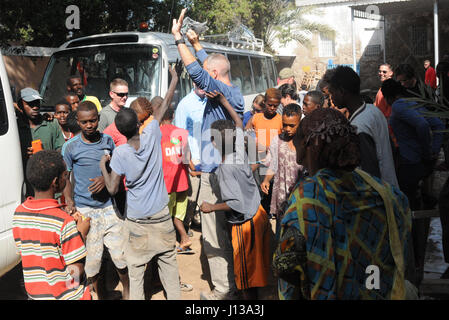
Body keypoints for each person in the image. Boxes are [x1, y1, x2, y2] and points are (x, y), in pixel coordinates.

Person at [273, 108, 413, 300]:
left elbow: (286, 265)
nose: (299, 158)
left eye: (302, 149)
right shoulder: (387, 193)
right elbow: (405, 261)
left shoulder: (308, 197)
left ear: (310, 148)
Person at [172, 8, 244, 300]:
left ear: (214, 75)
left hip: (218, 176)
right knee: (227, 233)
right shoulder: (232, 90)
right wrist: (197, 43)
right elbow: (208, 67)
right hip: (228, 173)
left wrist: (178, 39)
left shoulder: (217, 89)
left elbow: (198, 73)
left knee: (215, 237)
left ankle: (224, 292)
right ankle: (235, 284)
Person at [99, 63, 181, 300]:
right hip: (161, 217)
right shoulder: (152, 133)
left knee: (135, 275)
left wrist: (103, 166)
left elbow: (113, 188)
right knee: (170, 271)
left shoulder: (121, 153)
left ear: (119, 131)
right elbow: (164, 103)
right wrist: (173, 76)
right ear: (137, 123)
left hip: (136, 222)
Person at [200, 91, 270, 300]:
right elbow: (239, 122)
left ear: (214, 142)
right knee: (254, 270)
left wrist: (210, 207)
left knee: (246, 276)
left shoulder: (225, 169)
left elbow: (235, 203)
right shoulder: (237, 146)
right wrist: (223, 100)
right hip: (258, 213)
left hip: (245, 222)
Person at [62, 101, 129, 300]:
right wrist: (68, 200)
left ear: (99, 119)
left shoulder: (108, 141)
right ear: (78, 122)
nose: (89, 125)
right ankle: (101, 295)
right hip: (85, 210)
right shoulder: (71, 147)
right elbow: (66, 177)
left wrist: (105, 177)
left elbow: (117, 169)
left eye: (93, 121)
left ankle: (127, 292)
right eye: (85, 122)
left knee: (120, 256)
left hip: (109, 208)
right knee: (93, 260)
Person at [381, 78, 444, 285]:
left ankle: (412, 257)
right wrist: (433, 151)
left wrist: (427, 153)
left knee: (404, 209)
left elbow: (423, 125)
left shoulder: (398, 106)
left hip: (411, 164)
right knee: (416, 208)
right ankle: (417, 254)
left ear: (388, 97)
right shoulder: (411, 102)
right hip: (418, 163)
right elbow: (438, 123)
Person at [12, 150, 92, 300]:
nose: (66, 178)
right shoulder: (64, 222)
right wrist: (81, 234)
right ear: (55, 182)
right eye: (65, 176)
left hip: (36, 295)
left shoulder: (19, 213)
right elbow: (75, 274)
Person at [325, 66, 398, 188]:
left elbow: (369, 176)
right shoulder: (373, 110)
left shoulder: (358, 127)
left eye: (332, 93)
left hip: (378, 197)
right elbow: (392, 151)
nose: (330, 98)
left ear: (342, 92)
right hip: (390, 189)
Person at [260, 103, 304, 238]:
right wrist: (266, 180)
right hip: (282, 197)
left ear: (299, 122)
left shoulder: (305, 141)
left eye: (292, 125)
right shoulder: (277, 140)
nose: (287, 129)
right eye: (284, 125)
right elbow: (273, 163)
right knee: (282, 232)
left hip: (301, 196)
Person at [16, 88, 66, 196]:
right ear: (20, 106)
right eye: (30, 104)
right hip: (26, 189)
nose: (35, 107)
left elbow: (61, 151)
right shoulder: (15, 129)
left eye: (37, 103)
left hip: (50, 188)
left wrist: (45, 156)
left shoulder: (51, 124)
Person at [160, 107, 197, 252]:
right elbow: (187, 158)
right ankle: (184, 238)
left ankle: (168, 246)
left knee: (166, 217)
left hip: (167, 183)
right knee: (178, 216)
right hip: (182, 181)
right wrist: (193, 170)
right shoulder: (181, 133)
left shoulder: (157, 134)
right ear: (173, 116)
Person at [174, 84, 207, 229]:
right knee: (190, 197)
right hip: (193, 157)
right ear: (193, 82)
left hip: (208, 156)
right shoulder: (184, 104)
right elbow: (179, 136)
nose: (201, 86)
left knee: (204, 195)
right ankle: (184, 227)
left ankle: (196, 221)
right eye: (198, 83)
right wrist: (188, 162)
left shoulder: (210, 101)